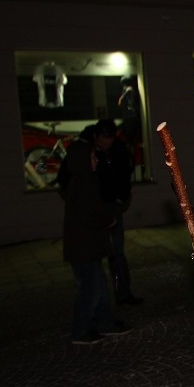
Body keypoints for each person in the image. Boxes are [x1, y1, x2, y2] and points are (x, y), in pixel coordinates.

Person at [58, 119, 142, 305]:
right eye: (104, 139)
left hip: (112, 206)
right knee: (93, 258)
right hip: (94, 208)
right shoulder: (83, 151)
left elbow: (124, 173)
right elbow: (66, 177)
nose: (107, 143)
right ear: (96, 137)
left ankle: (122, 293)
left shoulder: (118, 149)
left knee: (116, 252)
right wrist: (78, 200)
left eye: (110, 138)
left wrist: (121, 197)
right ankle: (97, 301)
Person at [61, 138, 132, 344]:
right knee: (90, 290)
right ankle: (81, 330)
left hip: (89, 246)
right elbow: (87, 215)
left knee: (99, 286)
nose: (97, 161)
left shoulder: (85, 181)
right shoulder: (82, 183)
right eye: (93, 157)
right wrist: (107, 220)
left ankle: (105, 322)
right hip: (83, 248)